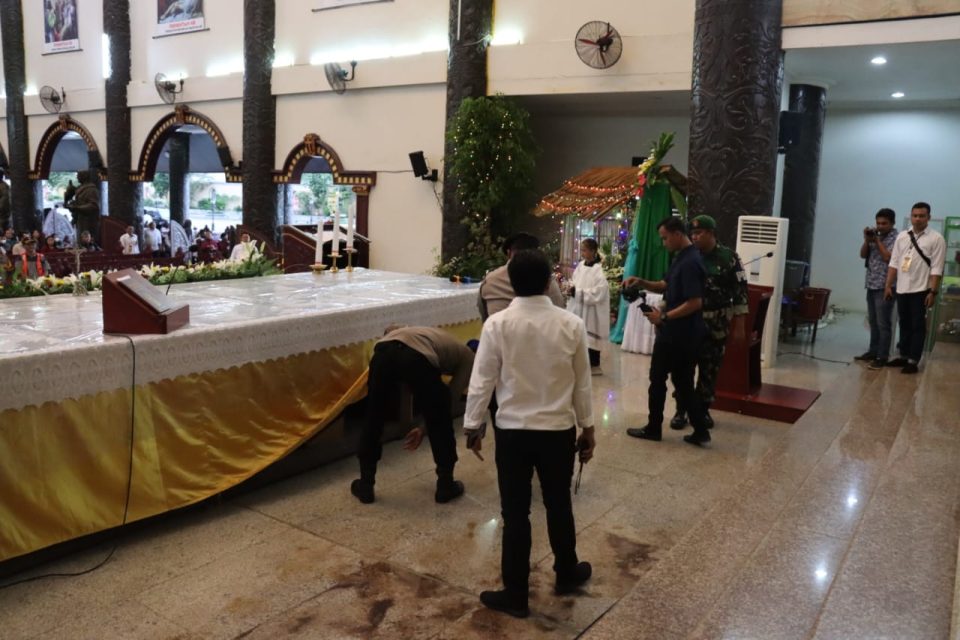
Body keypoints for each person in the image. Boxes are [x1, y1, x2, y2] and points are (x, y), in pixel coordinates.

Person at [465, 249, 596, 619]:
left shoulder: (497, 324)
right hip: (557, 431)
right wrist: (588, 427)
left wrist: (473, 425)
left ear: (511, 282)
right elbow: (582, 384)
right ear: (548, 281)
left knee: (515, 512)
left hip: (513, 433)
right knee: (559, 503)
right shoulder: (571, 324)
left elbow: (482, 380)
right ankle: (566, 571)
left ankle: (516, 593)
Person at [351, 325, 474, 505]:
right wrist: (424, 428)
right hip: (417, 357)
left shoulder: (421, 332)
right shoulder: (468, 357)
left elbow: (392, 335)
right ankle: (445, 485)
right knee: (440, 418)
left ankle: (366, 485)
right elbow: (448, 402)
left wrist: (421, 427)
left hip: (383, 351)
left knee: (374, 415)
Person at [623, 216, 711, 446]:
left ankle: (654, 428)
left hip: (678, 334)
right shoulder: (682, 256)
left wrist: (663, 317)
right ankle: (701, 431)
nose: (663, 243)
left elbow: (695, 302)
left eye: (665, 238)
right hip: (679, 332)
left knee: (658, 379)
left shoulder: (691, 262)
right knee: (683, 383)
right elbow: (665, 285)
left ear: (677, 234)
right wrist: (642, 282)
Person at [666, 215, 748, 429]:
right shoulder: (686, 257)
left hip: (716, 324)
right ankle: (681, 410)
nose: (694, 237)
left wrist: (739, 326)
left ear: (711, 233)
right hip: (689, 323)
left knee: (709, 369)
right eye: (692, 233)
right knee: (683, 368)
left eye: (699, 233)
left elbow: (740, 292)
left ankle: (702, 411)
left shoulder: (729, 258)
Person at [884, 202, 947, 374]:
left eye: (921, 216)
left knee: (917, 325)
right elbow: (894, 262)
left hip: (921, 289)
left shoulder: (936, 239)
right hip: (902, 288)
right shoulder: (902, 236)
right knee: (904, 323)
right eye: (915, 215)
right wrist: (888, 285)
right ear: (911, 216)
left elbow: (937, 268)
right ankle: (903, 355)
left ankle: (913, 360)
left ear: (928, 217)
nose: (917, 219)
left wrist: (933, 291)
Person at [477, 232, 565, 321]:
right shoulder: (545, 277)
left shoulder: (490, 279)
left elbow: (483, 312)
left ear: (508, 253)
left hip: (499, 328)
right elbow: (559, 307)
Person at [855, 208, 898, 370]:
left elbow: (888, 257)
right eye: (878, 223)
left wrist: (877, 241)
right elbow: (862, 255)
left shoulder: (896, 238)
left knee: (883, 323)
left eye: (884, 223)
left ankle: (882, 356)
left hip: (886, 286)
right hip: (872, 284)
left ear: (892, 223)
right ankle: (873, 351)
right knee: (873, 322)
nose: (880, 226)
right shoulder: (875, 236)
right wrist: (867, 240)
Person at [565, 237, 610, 376]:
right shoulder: (580, 266)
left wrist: (579, 293)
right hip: (578, 306)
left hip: (591, 310)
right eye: (582, 250)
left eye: (584, 250)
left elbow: (600, 291)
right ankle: (579, 363)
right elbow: (574, 280)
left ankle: (594, 365)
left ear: (593, 251)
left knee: (591, 337)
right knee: (577, 335)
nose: (582, 253)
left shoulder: (598, 270)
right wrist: (571, 288)